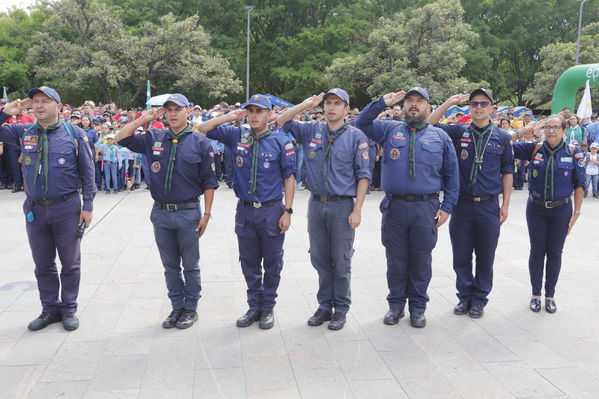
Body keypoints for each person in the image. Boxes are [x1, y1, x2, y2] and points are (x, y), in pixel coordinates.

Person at [355, 87, 459, 328]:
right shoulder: (389, 130)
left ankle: (418, 307)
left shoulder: (440, 137)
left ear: (428, 108)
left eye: (419, 101)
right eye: (409, 101)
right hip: (395, 207)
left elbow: (453, 176)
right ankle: (396, 305)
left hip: (426, 207)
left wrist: (448, 207)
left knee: (421, 260)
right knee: (396, 259)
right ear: (402, 107)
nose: (413, 105)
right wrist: (382, 102)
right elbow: (362, 122)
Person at [116, 94, 218, 329]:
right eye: (168, 109)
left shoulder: (200, 143)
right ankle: (176, 307)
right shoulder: (154, 137)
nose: (173, 114)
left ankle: (190, 307)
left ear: (188, 111)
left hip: (188, 211)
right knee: (170, 265)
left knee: (190, 265)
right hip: (161, 213)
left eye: (178, 109)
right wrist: (143, 118)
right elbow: (120, 138)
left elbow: (209, 182)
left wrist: (207, 214)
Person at [0, 86, 96, 331]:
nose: (39, 105)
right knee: (42, 263)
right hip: (35, 210)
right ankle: (49, 308)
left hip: (67, 208)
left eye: (45, 101)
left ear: (59, 107)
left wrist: (88, 206)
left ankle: (69, 308)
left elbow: (88, 173)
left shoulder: (74, 134)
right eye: (35, 101)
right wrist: (4, 113)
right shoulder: (23, 132)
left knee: (70, 263)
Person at [198, 94, 296, 330]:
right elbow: (202, 128)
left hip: (272, 210)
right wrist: (229, 116)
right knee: (248, 262)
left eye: (259, 111)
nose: (254, 115)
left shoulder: (281, 142)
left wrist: (288, 211)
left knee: (273, 262)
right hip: (245, 210)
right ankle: (254, 306)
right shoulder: (237, 135)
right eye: (250, 111)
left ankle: (268, 307)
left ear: (270, 114)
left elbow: (289, 178)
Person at [276, 88, 371, 330]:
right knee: (319, 257)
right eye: (328, 103)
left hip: (342, 206)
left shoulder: (356, 136)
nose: (331, 107)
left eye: (337, 103)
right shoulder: (311, 130)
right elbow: (281, 121)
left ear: (346, 109)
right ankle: (324, 305)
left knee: (340, 260)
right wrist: (304, 104)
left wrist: (357, 209)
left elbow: (363, 175)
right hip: (316, 203)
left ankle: (341, 308)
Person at [429, 89, 514, 318]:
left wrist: (505, 204)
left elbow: (507, 172)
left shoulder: (502, 137)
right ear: (469, 108)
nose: (478, 107)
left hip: (488, 205)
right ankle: (464, 296)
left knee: (486, 255)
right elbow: (431, 123)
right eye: (474, 103)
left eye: (483, 103)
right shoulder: (459, 131)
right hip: (463, 204)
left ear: (491, 109)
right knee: (462, 255)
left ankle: (479, 299)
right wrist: (448, 101)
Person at [511, 116, 585, 313]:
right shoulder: (534, 149)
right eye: (547, 127)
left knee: (555, 253)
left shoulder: (573, 151)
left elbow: (580, 185)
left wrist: (576, 212)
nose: (551, 131)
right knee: (536, 252)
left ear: (563, 130)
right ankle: (536, 294)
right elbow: (504, 141)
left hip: (561, 211)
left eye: (555, 127)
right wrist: (525, 130)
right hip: (536, 209)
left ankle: (550, 295)